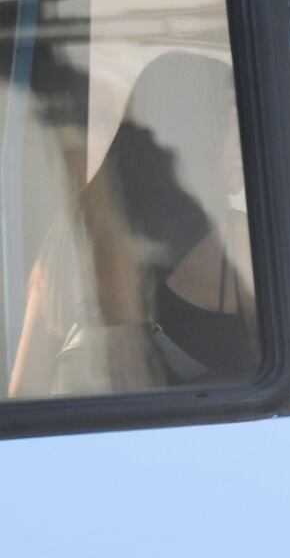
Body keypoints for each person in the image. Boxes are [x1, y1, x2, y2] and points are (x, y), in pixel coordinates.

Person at [9, 52, 257, 397]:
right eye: (231, 121)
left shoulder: (72, 236)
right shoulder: (245, 244)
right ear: (197, 130)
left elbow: (24, 393)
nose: (247, 140)